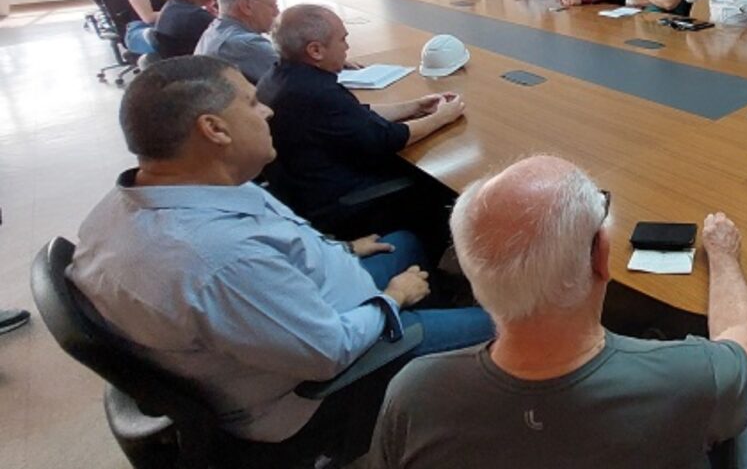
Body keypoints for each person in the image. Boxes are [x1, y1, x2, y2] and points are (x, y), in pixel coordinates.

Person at [68, 56, 494, 450]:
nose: (268, 111)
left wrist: (342, 248)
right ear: (214, 129)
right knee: (512, 328)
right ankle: (448, 365)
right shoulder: (216, 261)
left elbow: (270, 251)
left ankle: (444, 354)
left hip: (309, 304)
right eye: (252, 103)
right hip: (325, 383)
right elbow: (329, 353)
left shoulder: (148, 198)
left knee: (407, 242)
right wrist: (394, 298)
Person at [372, 155, 747, 469]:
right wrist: (723, 255)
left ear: (474, 277)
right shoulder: (689, 376)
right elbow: (740, 340)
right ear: (602, 256)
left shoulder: (413, 394)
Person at [256, 4, 465, 237]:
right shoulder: (316, 92)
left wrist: (415, 106)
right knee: (440, 184)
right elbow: (387, 138)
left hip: (307, 191)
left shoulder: (278, 77)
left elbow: (354, 115)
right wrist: (442, 118)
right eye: (342, 40)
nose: (347, 47)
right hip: (341, 206)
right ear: (315, 50)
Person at [195, 0, 281, 84]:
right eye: (272, 6)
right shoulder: (245, 44)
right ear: (247, 6)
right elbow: (293, 81)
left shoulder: (214, 31)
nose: (277, 13)